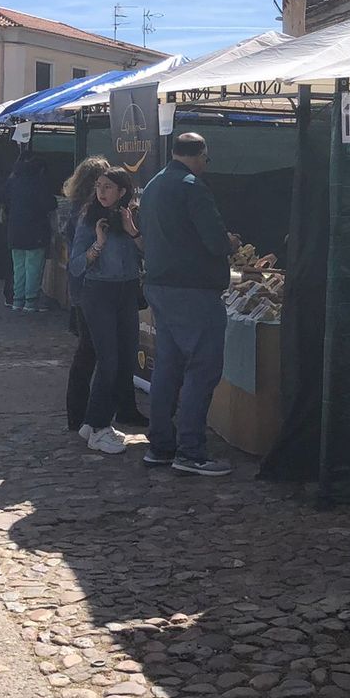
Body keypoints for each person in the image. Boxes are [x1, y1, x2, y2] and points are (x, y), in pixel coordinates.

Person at [141, 132, 236, 477]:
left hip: (159, 286)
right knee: (202, 368)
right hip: (193, 290)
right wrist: (229, 242)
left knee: (167, 367)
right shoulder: (193, 187)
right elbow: (214, 241)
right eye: (206, 159)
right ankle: (191, 451)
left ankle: (160, 445)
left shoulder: (153, 186)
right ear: (200, 155)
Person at [60, 158, 143, 433]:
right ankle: (94, 423)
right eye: (98, 186)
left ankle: (109, 416)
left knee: (126, 357)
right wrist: (98, 245)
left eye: (108, 187)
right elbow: (75, 265)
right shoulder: (88, 218)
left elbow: (149, 252)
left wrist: (133, 232)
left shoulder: (132, 215)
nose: (101, 192)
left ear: (122, 191)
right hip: (97, 292)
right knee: (104, 360)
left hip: (127, 291)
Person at [0, 148, 55, 312]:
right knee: (33, 266)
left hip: (15, 230)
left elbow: (0, 196)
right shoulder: (39, 182)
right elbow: (50, 204)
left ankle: (17, 300)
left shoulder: (14, 179)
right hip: (36, 231)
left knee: (19, 267)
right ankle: (31, 301)